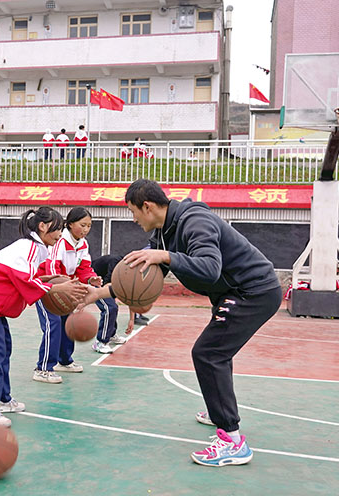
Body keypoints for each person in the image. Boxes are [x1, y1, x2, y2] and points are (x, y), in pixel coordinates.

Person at [82, 179, 282, 467]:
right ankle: (219, 411)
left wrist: (165, 256)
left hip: (254, 292)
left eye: (133, 212)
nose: (134, 219)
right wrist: (98, 294)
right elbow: (136, 277)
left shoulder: (194, 221)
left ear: (147, 206)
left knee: (209, 353)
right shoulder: (164, 233)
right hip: (234, 292)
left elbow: (210, 268)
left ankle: (233, 442)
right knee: (216, 353)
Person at [0, 207, 87, 425]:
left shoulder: (37, 247)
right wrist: (58, 288)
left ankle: (2, 399)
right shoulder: (29, 247)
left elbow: (32, 276)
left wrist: (53, 278)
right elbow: (25, 279)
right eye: (57, 229)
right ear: (42, 227)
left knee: (4, 350)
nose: (60, 234)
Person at [34, 207, 102, 381]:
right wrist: (61, 286)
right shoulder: (60, 240)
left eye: (89, 226)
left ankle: (64, 361)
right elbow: (51, 267)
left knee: (67, 321)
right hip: (45, 286)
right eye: (83, 225)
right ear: (70, 224)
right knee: (53, 323)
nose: (86, 229)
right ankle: (43, 368)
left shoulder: (82, 243)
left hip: (65, 287)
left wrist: (91, 279)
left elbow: (84, 268)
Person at [89, 254, 132, 353]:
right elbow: (106, 285)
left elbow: (131, 297)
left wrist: (132, 320)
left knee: (113, 306)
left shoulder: (132, 273)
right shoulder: (116, 263)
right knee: (110, 307)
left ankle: (111, 334)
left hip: (102, 281)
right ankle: (100, 342)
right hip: (93, 280)